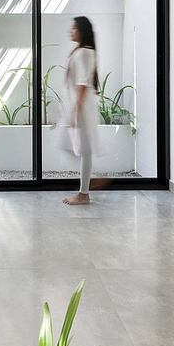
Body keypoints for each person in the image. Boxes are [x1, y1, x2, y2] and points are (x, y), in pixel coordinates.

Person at [63, 16, 99, 205]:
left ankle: (84, 193)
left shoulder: (84, 52)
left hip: (83, 106)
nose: (71, 31)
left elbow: (83, 81)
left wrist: (77, 108)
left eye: (74, 28)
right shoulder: (82, 51)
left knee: (84, 150)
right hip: (81, 104)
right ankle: (85, 190)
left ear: (82, 31)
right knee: (80, 148)